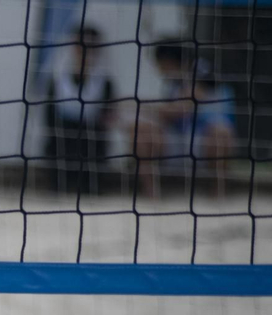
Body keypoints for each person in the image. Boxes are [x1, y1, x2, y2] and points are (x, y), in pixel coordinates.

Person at [135, 42, 236, 197]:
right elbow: (168, 115)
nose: (159, 70)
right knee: (141, 132)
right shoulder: (172, 83)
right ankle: (151, 194)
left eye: (160, 64)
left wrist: (139, 106)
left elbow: (182, 107)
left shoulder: (203, 72)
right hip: (177, 139)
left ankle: (218, 192)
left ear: (168, 61)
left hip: (205, 140)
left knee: (220, 132)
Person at [45, 23, 122, 195]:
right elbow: (49, 116)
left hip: (91, 143)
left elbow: (106, 116)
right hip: (62, 140)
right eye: (80, 46)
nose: (85, 52)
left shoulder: (104, 82)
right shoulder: (58, 79)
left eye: (91, 47)